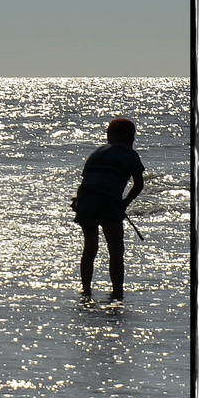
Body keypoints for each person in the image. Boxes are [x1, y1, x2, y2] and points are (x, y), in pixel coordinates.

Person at [72, 117, 145, 296]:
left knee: (90, 248)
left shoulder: (97, 152)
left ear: (109, 136)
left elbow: (87, 181)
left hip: (86, 202)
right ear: (131, 138)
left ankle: (86, 290)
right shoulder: (131, 155)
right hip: (108, 205)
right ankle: (117, 292)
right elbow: (139, 184)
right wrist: (124, 204)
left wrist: (78, 201)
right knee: (116, 249)